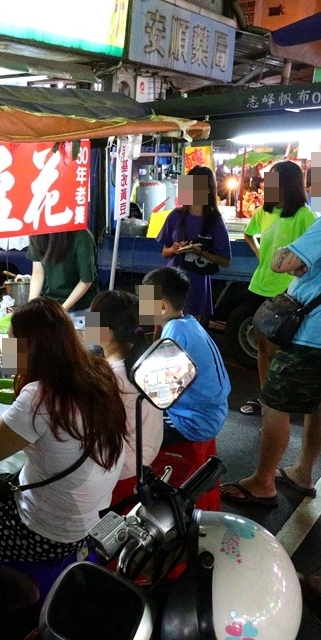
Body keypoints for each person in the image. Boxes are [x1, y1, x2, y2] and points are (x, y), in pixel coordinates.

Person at [221, 143, 321, 507]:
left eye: (319, 175)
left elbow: (280, 262)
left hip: (313, 330)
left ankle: (263, 483)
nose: (312, 181)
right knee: (319, 399)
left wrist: (288, 258)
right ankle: (302, 472)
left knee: (275, 402)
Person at [0, 298, 126, 570]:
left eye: (10, 341)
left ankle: (16, 582)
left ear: (32, 348)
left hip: (47, 533)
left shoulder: (40, 397)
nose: (5, 348)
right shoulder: (99, 373)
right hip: (90, 517)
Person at [240, 160, 317, 416]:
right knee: (262, 349)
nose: (265, 184)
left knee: (284, 350)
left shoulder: (304, 215)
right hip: (258, 287)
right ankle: (266, 397)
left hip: (287, 294)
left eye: (272, 179)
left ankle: (281, 400)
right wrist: (261, 255)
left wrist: (298, 270)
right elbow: (248, 234)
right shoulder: (265, 211)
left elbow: (313, 253)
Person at [140, 267, 231, 445]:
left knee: (127, 429)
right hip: (211, 413)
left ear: (161, 307)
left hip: (192, 423)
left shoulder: (175, 335)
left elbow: (158, 392)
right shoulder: (188, 323)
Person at [86, 290, 163, 497]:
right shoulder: (145, 360)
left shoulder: (111, 378)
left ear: (108, 332)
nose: (86, 325)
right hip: (147, 452)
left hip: (122, 467)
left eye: (91, 320)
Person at [156, 166, 232, 325]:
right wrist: (174, 249)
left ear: (208, 190)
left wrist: (200, 252)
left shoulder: (215, 221)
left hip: (196, 284)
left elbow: (225, 261)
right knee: (158, 326)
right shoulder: (175, 215)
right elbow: (164, 252)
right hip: (169, 280)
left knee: (188, 328)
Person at [27, 229, 100, 317]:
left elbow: (86, 281)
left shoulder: (83, 236)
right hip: (54, 305)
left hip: (89, 307)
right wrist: (30, 307)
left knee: (97, 331)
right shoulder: (38, 234)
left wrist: (61, 311)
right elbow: (38, 273)